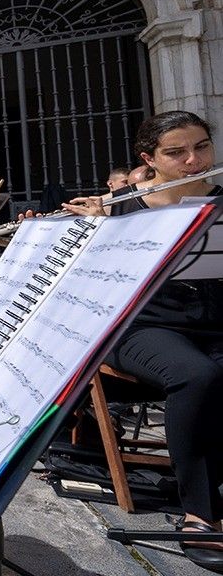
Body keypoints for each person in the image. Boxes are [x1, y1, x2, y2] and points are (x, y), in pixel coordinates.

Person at [63, 110, 223, 573]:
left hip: (214, 324)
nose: (194, 161)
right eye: (177, 153)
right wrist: (93, 231)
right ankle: (200, 513)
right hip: (140, 327)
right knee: (197, 375)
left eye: (202, 148)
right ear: (149, 159)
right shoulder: (121, 207)